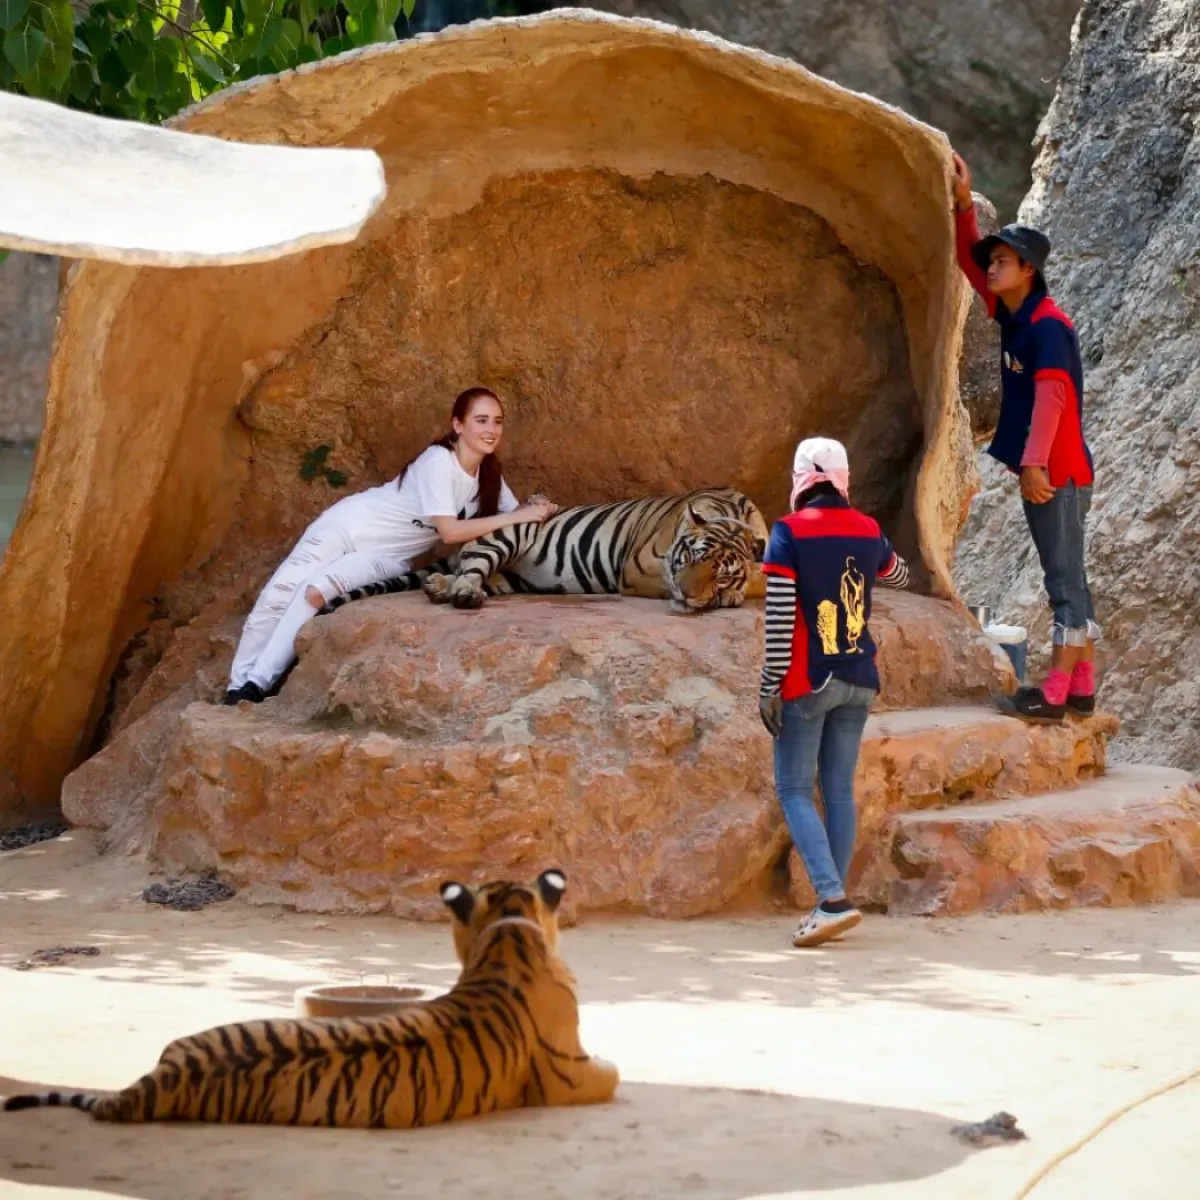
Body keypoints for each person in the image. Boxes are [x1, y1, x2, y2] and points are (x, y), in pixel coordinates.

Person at [223, 387, 556, 705]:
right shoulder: (438, 461)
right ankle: (237, 687)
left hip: (388, 556)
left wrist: (534, 506)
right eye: (481, 420)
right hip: (346, 526)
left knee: (315, 592)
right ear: (458, 425)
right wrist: (516, 517)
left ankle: (258, 685)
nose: (491, 429)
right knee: (278, 595)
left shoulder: (488, 475)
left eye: (497, 421)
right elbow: (450, 532)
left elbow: (515, 512)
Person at [951, 151, 1100, 724]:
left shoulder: (1048, 328)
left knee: (1063, 585)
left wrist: (1035, 464)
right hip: (1057, 470)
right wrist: (965, 204)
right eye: (994, 258)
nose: (992, 267)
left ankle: (1057, 694)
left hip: (1057, 472)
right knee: (1073, 580)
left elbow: (1053, 401)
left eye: (1005, 261)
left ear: (1029, 270)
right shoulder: (1016, 315)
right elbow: (967, 262)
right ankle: (1082, 686)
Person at [759, 437, 910, 949]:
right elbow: (900, 572)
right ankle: (834, 899)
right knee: (839, 790)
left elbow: (779, 618)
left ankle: (831, 899)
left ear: (802, 479)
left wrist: (768, 685)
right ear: (842, 478)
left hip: (809, 679)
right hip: (859, 677)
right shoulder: (868, 529)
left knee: (795, 789)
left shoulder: (788, 533)